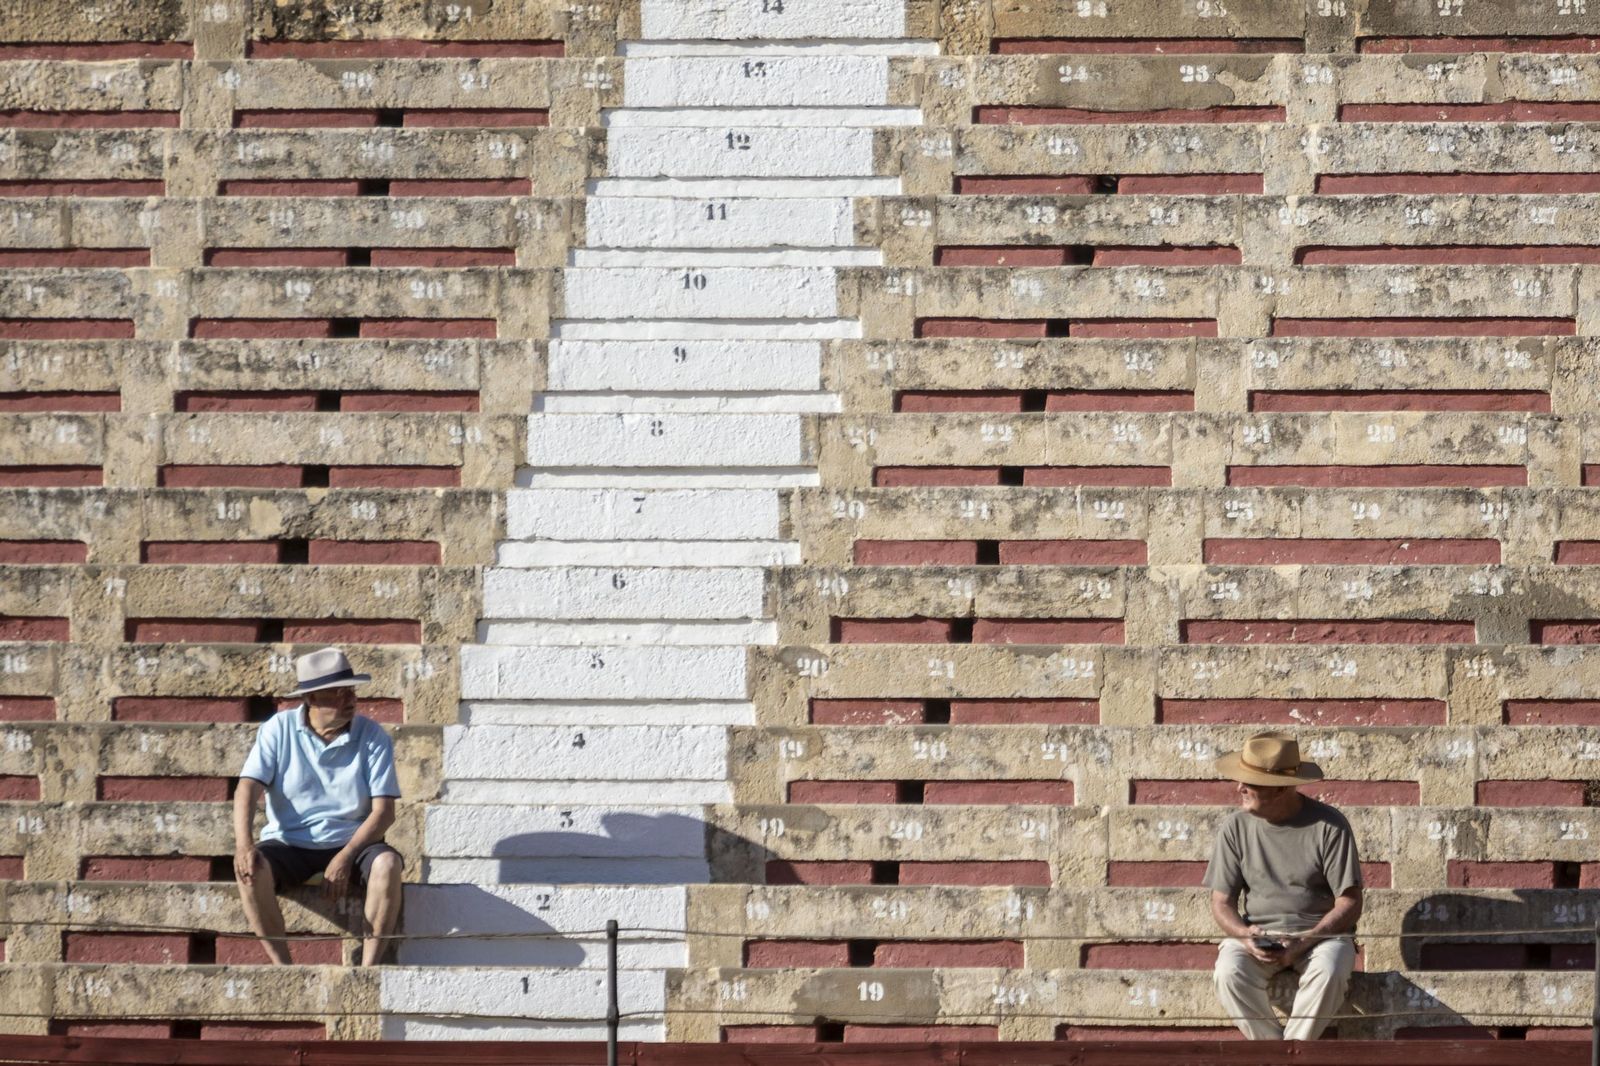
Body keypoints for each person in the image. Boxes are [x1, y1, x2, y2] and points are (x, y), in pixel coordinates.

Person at [233, 647, 404, 965]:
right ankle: (284, 967)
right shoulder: (278, 729)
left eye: (351, 691)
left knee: (388, 865)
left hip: (353, 842)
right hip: (289, 842)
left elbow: (384, 812)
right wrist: (244, 843)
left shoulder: (372, 735)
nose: (350, 699)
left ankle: (368, 968)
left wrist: (346, 854)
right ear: (311, 699)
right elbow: (247, 787)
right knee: (249, 868)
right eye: (338, 693)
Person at [1204, 732, 1362, 1040]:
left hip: (1319, 937)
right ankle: (1277, 1054)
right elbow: (1221, 902)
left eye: (1250, 781)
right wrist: (1245, 936)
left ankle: (1292, 1053)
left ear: (1280, 788)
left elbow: (1350, 902)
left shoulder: (1329, 825)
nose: (1240, 788)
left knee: (1329, 971)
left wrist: (1303, 942)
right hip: (1258, 938)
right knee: (1228, 973)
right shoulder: (1234, 828)